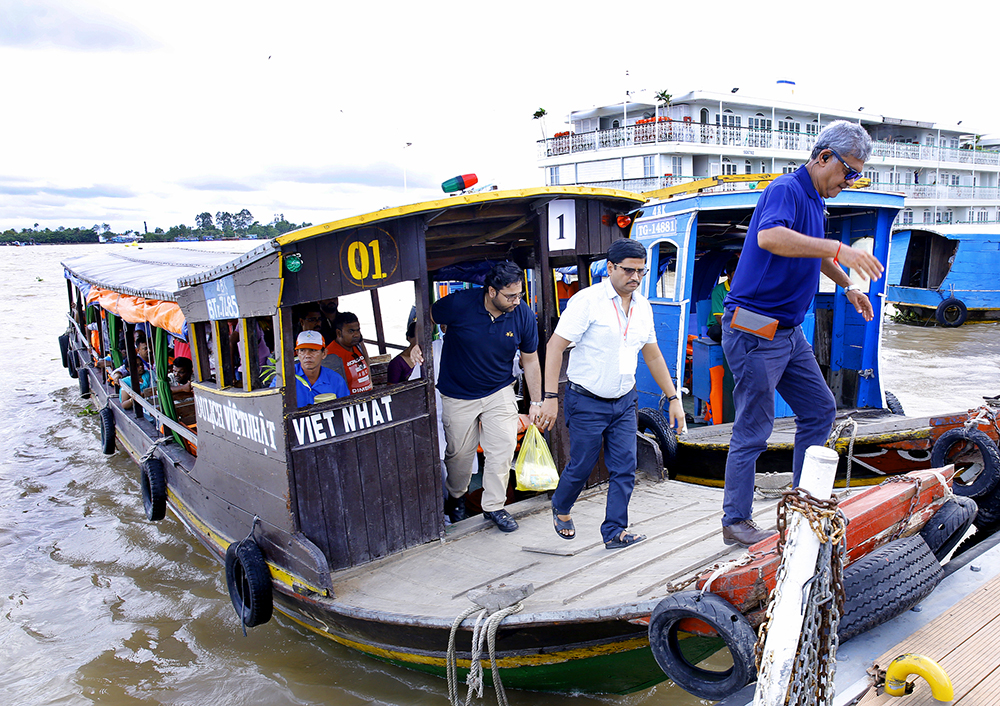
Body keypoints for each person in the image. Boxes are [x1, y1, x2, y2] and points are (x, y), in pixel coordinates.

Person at [719, 120, 885, 547]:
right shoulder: (786, 189)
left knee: (820, 408)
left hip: (788, 332)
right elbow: (772, 237)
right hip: (754, 326)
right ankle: (735, 520)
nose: (849, 182)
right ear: (824, 157)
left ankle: (802, 502)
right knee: (754, 427)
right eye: (848, 172)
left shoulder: (815, 200)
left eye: (857, 176)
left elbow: (812, 248)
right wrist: (837, 249)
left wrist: (847, 285)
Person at [537, 239, 685, 548]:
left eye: (641, 271)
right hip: (587, 401)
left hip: (624, 401)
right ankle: (562, 506)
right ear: (611, 268)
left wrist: (673, 398)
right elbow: (555, 346)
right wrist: (550, 397)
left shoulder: (643, 306)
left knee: (625, 467)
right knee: (582, 465)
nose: (635, 277)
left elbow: (653, 355)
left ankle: (615, 531)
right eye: (629, 270)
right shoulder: (586, 301)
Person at [432, 262, 543, 533]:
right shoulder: (458, 304)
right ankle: (456, 497)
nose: (517, 301)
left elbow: (530, 360)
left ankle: (493, 506)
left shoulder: (523, 314)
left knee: (503, 447)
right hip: (457, 392)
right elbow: (428, 317)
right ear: (491, 291)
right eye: (510, 296)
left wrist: (537, 401)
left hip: (499, 389)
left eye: (519, 295)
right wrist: (415, 347)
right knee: (459, 454)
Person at [273, 330, 349, 406]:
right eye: (302, 350)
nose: (307, 355)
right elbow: (271, 407)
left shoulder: (336, 380)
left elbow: (346, 409)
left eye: (313, 350)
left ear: (324, 353)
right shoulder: (283, 379)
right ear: (297, 353)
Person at [324, 312, 373, 395]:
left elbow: (366, 363)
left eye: (358, 330)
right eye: (351, 331)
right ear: (339, 333)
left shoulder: (357, 346)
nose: (356, 335)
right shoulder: (330, 356)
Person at [706, 256, 739, 342]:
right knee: (716, 332)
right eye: (736, 275)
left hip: (739, 326)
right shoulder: (719, 290)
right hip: (720, 325)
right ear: (728, 276)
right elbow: (719, 318)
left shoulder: (746, 289)